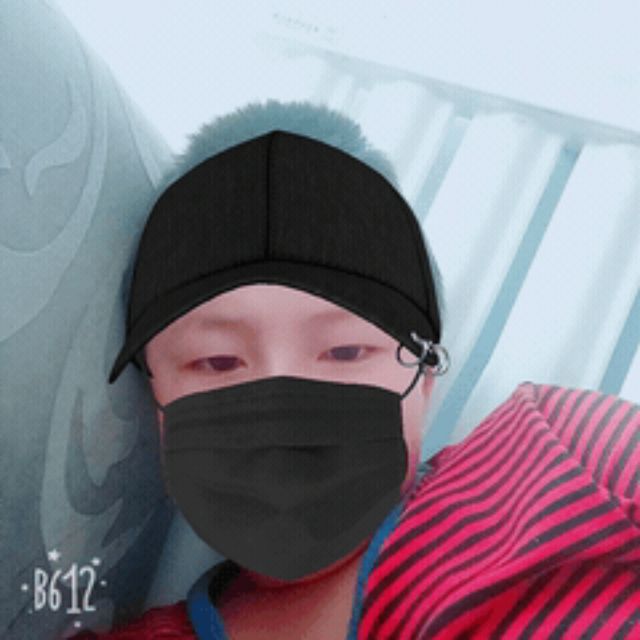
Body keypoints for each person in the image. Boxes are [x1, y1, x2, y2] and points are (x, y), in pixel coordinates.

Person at [73, 101, 640, 639]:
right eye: (219, 362)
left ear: (424, 379)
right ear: (151, 406)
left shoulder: (561, 453)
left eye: (344, 352)